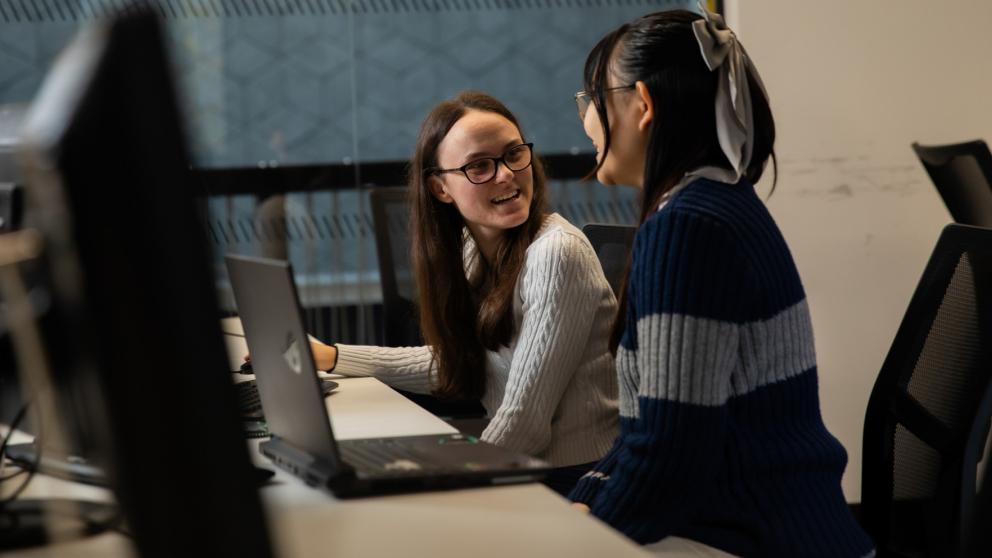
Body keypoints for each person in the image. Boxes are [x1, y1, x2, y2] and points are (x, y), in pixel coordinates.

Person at [566, 7, 875, 557]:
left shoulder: (687, 227)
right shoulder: (712, 204)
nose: (586, 118)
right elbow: (657, 431)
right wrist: (588, 496)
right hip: (758, 521)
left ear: (642, 104)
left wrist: (584, 536)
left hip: (755, 535)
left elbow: (672, 450)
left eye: (593, 97)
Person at [309, 91, 619, 497]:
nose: (506, 174)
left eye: (513, 155)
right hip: (522, 465)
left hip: (570, 480)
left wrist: (449, 482)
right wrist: (335, 356)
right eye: (479, 166)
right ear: (440, 188)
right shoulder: (475, 250)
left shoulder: (557, 253)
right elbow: (460, 364)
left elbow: (525, 422)